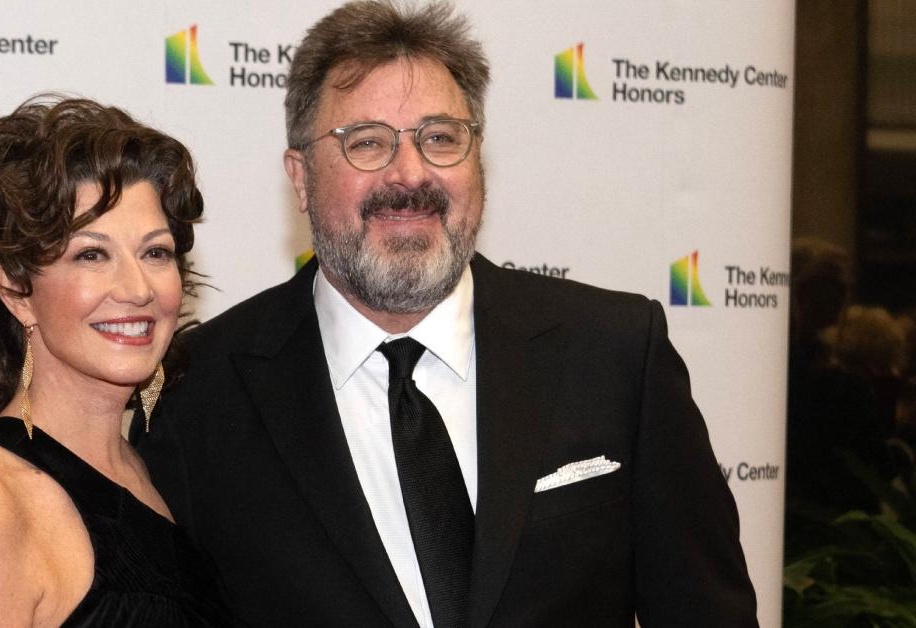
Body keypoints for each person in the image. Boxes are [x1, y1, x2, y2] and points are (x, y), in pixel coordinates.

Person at [136, 2, 758, 627]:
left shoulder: (616, 353)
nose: (410, 174)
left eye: (440, 138)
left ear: (478, 158)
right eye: (368, 143)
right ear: (300, 179)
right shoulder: (203, 392)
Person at [0, 95, 232, 626]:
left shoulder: (151, 468)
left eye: (156, 252)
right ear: (17, 291)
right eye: (91, 254)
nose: (137, 289)